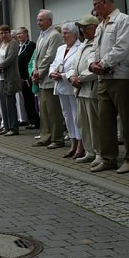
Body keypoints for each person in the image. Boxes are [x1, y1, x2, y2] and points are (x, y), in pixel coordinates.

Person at [89, 0, 129, 174]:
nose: (94, 9)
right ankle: (109, 158)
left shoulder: (123, 20)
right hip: (103, 78)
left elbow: (122, 48)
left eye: (95, 4)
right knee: (105, 121)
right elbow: (94, 49)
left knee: (127, 119)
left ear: (104, 3)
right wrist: (92, 64)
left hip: (121, 77)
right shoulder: (101, 25)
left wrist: (103, 64)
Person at [69, 15, 101, 165]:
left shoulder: (98, 43)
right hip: (79, 90)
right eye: (82, 28)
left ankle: (99, 152)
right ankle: (89, 151)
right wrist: (71, 77)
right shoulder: (83, 45)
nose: (83, 31)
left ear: (95, 27)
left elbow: (97, 67)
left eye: (86, 27)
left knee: (95, 124)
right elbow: (72, 66)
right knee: (83, 123)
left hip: (91, 89)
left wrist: (80, 78)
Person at [31, 10, 65, 149]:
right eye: (38, 20)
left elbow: (50, 56)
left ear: (49, 21)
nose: (38, 23)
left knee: (53, 111)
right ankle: (45, 136)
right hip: (41, 79)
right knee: (44, 110)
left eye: (41, 20)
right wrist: (34, 70)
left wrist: (39, 72)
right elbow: (36, 57)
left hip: (49, 79)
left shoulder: (54, 35)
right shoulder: (41, 35)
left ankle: (57, 138)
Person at [50, 22, 83, 158]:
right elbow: (54, 64)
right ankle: (73, 142)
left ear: (75, 34)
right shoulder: (61, 48)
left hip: (72, 86)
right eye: (62, 33)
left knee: (76, 116)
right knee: (67, 115)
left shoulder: (80, 47)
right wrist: (52, 73)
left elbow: (76, 67)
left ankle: (81, 143)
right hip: (60, 86)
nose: (63, 36)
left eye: (66, 33)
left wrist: (63, 76)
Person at [0, 25, 22, 136]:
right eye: (1, 33)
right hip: (1, 78)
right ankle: (6, 126)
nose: (4, 35)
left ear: (9, 33)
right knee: (3, 104)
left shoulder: (13, 44)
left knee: (10, 104)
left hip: (10, 77)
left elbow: (10, 59)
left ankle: (13, 127)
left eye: (6, 32)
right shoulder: (2, 45)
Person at [15, 27, 39, 128]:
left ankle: (35, 121)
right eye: (17, 34)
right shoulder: (19, 47)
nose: (19, 36)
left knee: (31, 100)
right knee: (26, 101)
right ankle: (31, 120)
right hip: (21, 78)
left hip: (28, 77)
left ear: (26, 34)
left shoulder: (31, 45)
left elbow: (31, 61)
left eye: (21, 33)